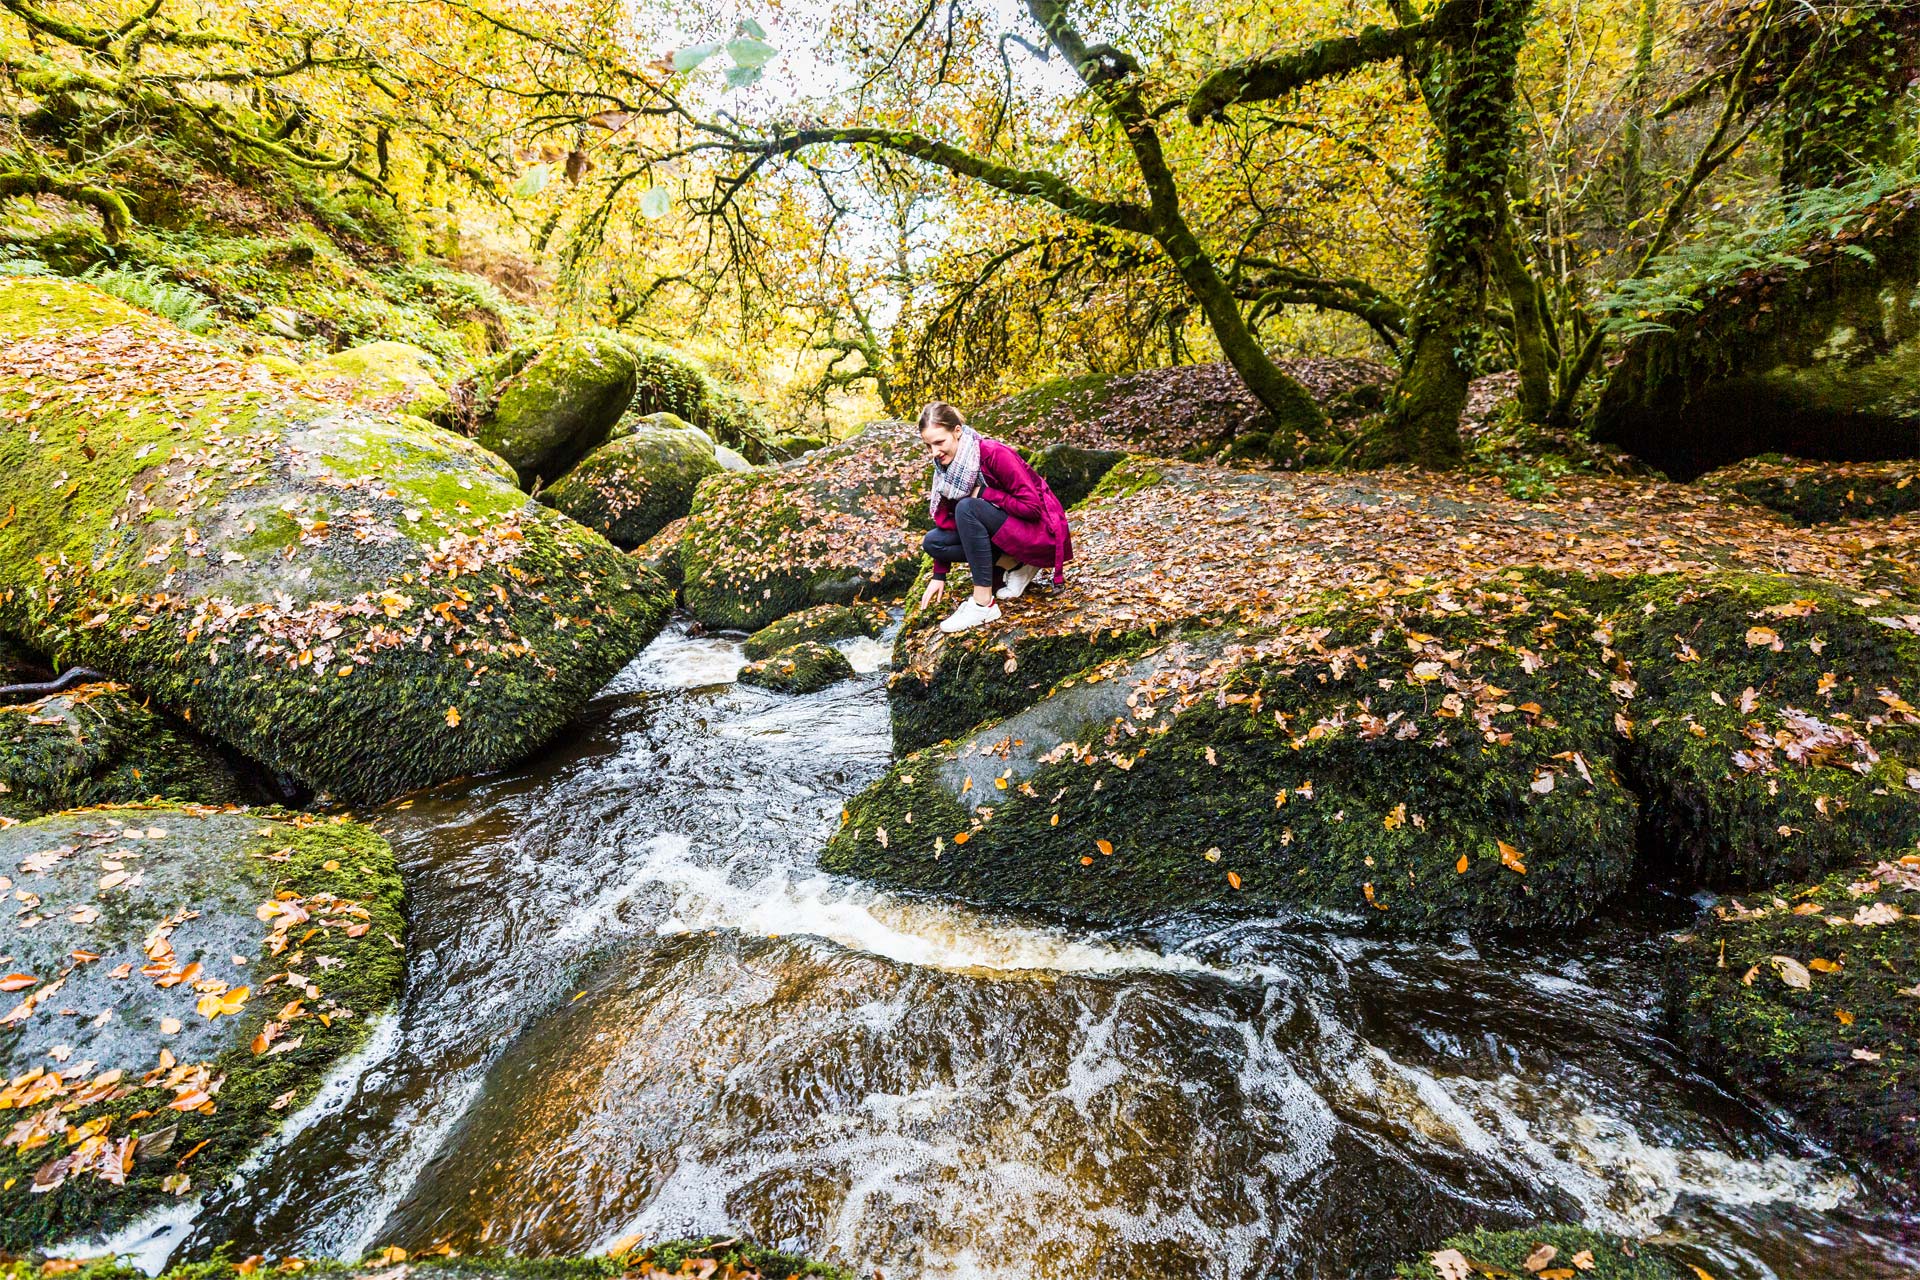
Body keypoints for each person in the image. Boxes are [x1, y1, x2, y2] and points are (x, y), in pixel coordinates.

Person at [916, 402, 1073, 634]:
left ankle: (982, 604)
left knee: (967, 508)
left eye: (939, 442)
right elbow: (947, 521)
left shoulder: (992, 453)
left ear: (957, 431)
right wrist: (939, 575)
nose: (935, 453)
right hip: (1008, 532)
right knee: (933, 542)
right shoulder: (948, 468)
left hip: (1041, 534)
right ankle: (1017, 565)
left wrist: (985, 493)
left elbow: (1032, 508)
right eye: (929, 446)